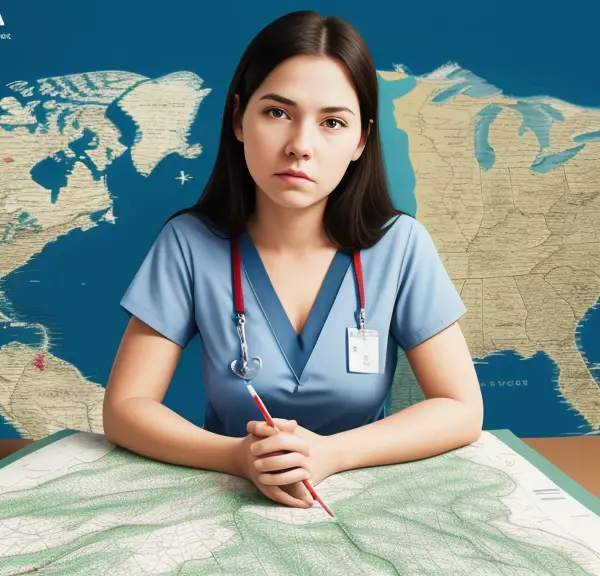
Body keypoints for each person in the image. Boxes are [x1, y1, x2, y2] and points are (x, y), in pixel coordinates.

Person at [103, 10, 483, 510]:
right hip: (223, 501)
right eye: (277, 113)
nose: (300, 146)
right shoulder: (188, 244)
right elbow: (125, 408)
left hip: (369, 503)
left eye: (332, 122)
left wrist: (330, 454)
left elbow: (461, 409)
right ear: (239, 119)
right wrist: (239, 458)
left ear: (361, 141)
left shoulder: (401, 246)